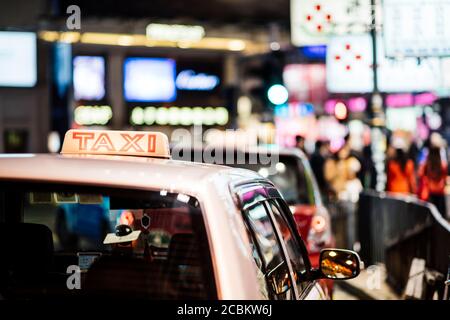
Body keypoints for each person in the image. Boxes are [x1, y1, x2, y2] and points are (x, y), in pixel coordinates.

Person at [417, 146, 448, 216]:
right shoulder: (442, 165)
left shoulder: (427, 164)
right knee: (440, 215)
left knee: (431, 215)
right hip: (439, 192)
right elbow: (444, 176)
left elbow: (420, 174)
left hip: (430, 192)